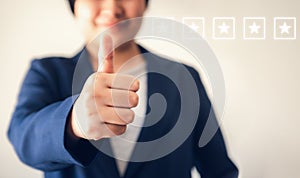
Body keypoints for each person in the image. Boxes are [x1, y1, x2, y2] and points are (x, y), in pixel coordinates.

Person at [7, 0, 239, 177]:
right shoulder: (47, 72)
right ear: (75, 7)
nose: (112, 6)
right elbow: (22, 137)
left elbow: (218, 168)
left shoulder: (184, 78)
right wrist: (73, 123)